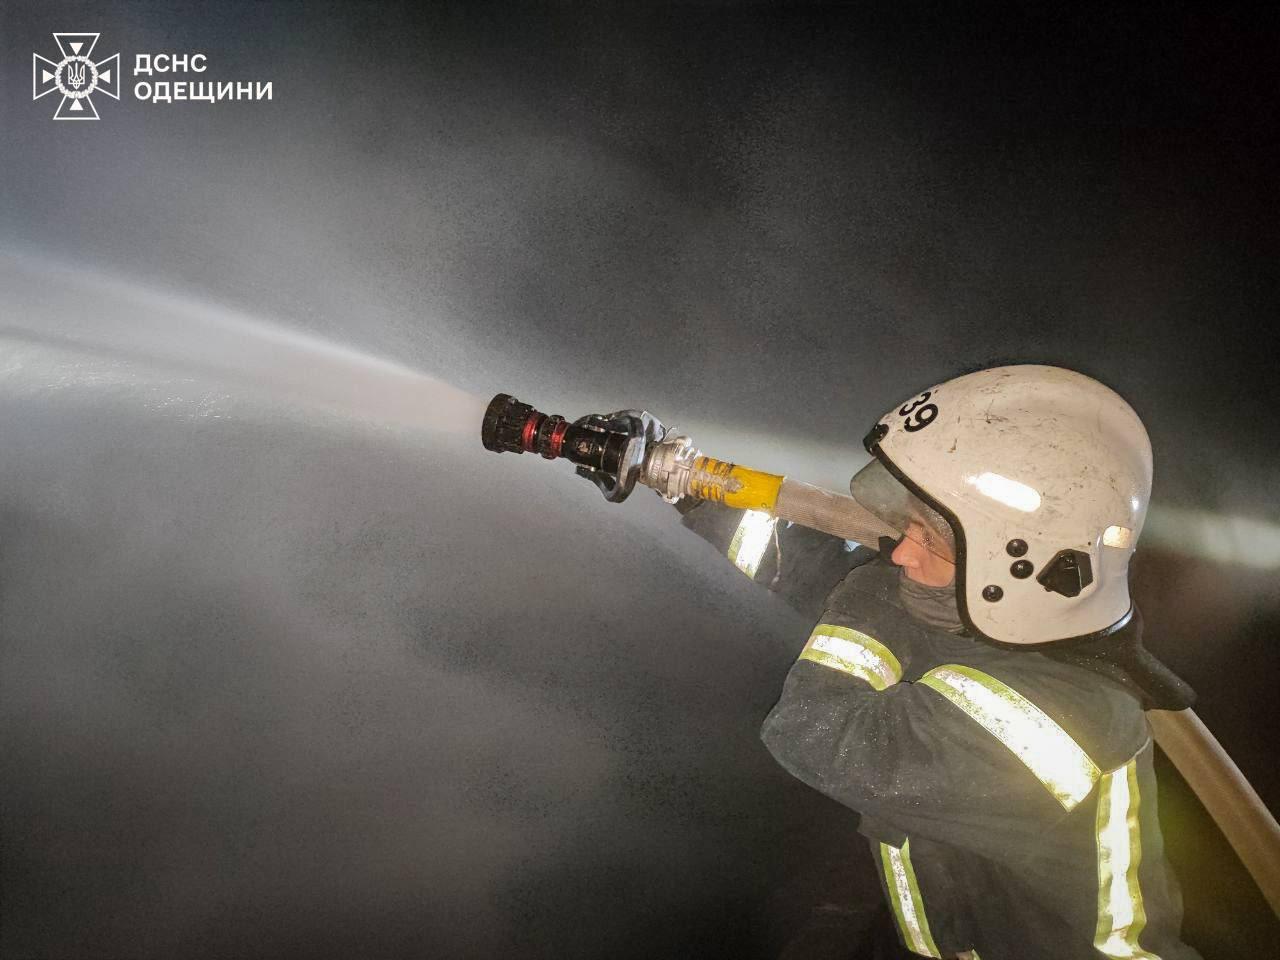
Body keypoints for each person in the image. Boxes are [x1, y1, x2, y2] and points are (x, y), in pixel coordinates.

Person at [675, 364, 1201, 959]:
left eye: (926, 537)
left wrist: (866, 591)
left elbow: (813, 731)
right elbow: (819, 569)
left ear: (1017, 566)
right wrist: (689, 492)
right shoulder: (997, 621)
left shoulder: (1061, 720)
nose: (899, 553)